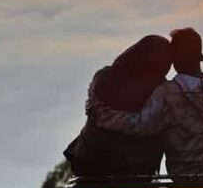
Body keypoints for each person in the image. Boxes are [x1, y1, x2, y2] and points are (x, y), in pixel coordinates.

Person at [88, 27, 203, 175]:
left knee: (159, 125)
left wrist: (102, 115)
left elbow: (140, 125)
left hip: (185, 173)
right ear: (201, 56)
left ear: (173, 59)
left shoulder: (168, 92)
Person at [64, 35, 171, 176]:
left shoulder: (104, 77)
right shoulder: (160, 89)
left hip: (89, 162)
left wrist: (106, 119)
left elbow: (94, 111)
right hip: (138, 168)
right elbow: (145, 126)